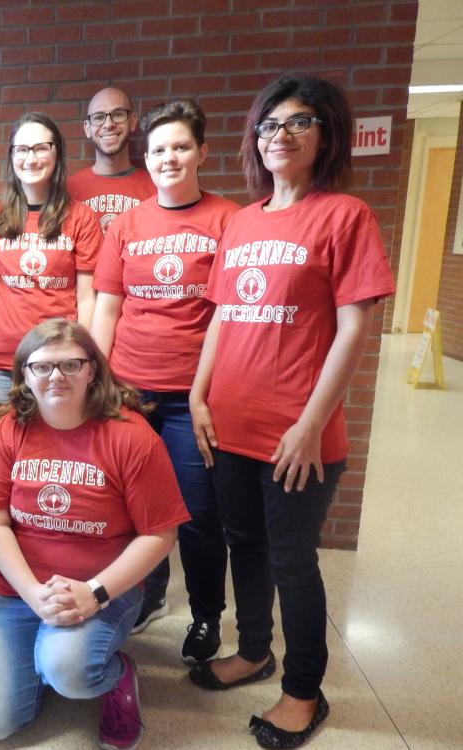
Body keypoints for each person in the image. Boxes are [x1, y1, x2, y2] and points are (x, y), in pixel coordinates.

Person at [188, 75, 395, 749]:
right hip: (229, 424)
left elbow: (353, 329)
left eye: (298, 122)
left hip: (295, 436)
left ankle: (305, 691)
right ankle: (253, 651)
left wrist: (310, 423)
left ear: (326, 134)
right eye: (269, 125)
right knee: (241, 544)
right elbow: (222, 315)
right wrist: (197, 392)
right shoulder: (243, 222)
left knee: (292, 561)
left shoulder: (346, 216)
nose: (280, 135)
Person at [0, 319, 190, 749]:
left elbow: (160, 535)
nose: (56, 376)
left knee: (68, 669)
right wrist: (34, 595)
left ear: (92, 370)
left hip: (102, 588)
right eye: (43, 367)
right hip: (21, 590)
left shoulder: (131, 436)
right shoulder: (9, 431)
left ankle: (116, 674)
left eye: (71, 364)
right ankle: (29, 640)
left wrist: (95, 593)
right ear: (24, 377)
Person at [91, 99, 240, 662]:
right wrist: (97, 384)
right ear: (145, 158)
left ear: (202, 152)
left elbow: (230, 313)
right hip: (129, 391)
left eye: (180, 147)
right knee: (131, 511)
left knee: (199, 516)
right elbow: (107, 309)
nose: (169, 158)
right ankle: (147, 594)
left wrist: (204, 393)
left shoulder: (229, 220)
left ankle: (206, 617)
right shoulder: (126, 225)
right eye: (158, 150)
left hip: (190, 399)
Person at [0, 112, 102, 416]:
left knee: (57, 452)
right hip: (3, 365)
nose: (32, 158)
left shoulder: (81, 218)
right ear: (12, 155)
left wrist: (84, 360)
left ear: (57, 153)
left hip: (61, 364)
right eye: (22, 149)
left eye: (42, 148)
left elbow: (86, 298)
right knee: (7, 456)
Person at [69, 87, 156, 235]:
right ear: (87, 128)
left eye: (118, 114)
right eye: (98, 117)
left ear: (133, 121)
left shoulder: (155, 188)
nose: (108, 124)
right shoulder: (68, 190)